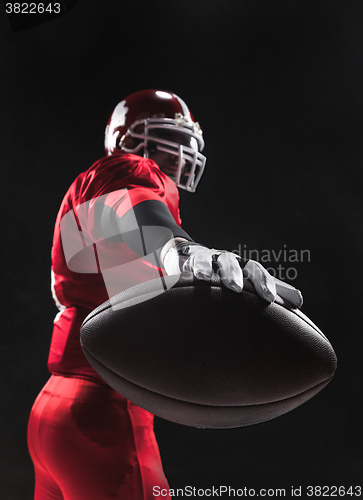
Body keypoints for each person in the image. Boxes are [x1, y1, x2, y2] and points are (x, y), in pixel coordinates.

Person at [27, 89, 302, 500]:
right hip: (105, 412)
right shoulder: (128, 171)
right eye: (168, 138)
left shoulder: (91, 194)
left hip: (54, 412)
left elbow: (124, 240)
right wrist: (181, 250)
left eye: (186, 141)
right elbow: (135, 209)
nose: (181, 151)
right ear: (126, 140)